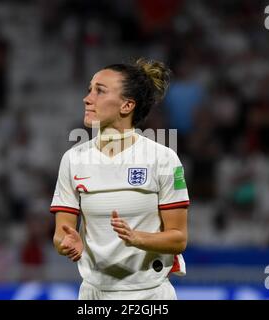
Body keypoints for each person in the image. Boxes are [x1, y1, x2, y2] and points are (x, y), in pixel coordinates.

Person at [50, 58, 190, 300]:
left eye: (100, 91)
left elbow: (178, 238)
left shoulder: (163, 159)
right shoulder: (73, 159)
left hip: (149, 295)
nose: (87, 98)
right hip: (93, 294)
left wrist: (138, 238)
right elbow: (61, 234)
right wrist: (66, 243)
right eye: (89, 89)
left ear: (126, 106)